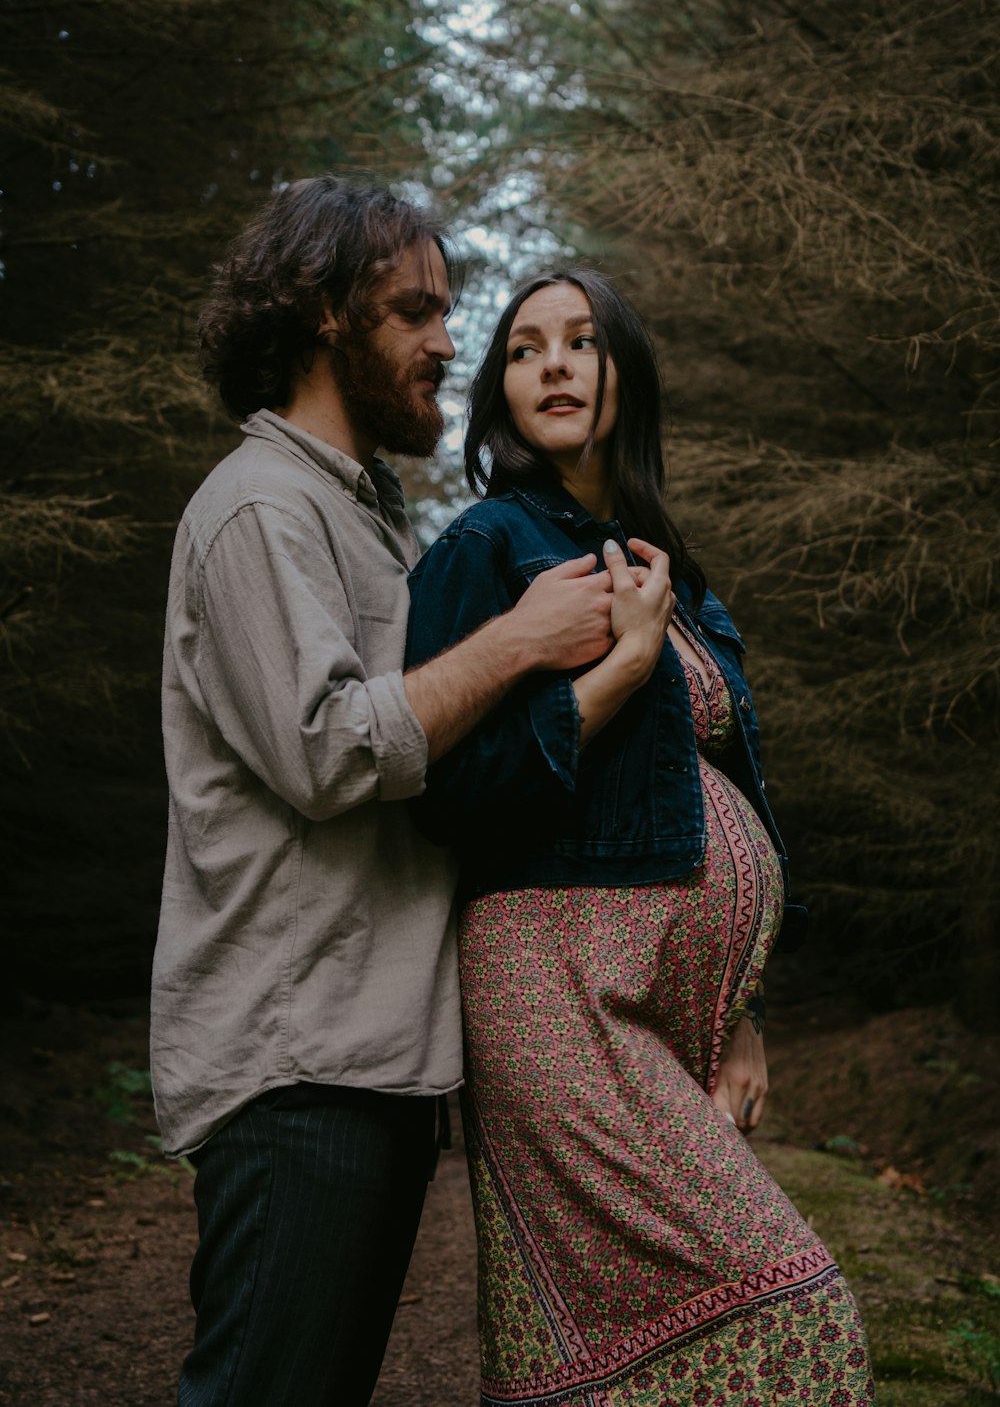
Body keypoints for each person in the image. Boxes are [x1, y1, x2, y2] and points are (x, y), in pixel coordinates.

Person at [150, 181, 621, 1407]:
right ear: (321, 313)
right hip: (297, 1068)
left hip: (377, 1067)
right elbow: (328, 751)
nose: (448, 344)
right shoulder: (258, 507)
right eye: (415, 311)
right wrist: (518, 640)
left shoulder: (364, 523)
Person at [405, 269, 875, 1403]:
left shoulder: (675, 569)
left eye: (580, 342)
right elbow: (442, 796)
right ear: (499, 391)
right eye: (524, 349)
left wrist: (743, 1012)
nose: (553, 365)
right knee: (799, 1318)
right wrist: (615, 672)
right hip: (554, 992)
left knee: (636, 1354)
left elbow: (727, 798)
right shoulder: (487, 546)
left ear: (628, 373)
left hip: (673, 1008)